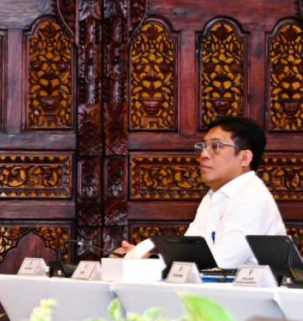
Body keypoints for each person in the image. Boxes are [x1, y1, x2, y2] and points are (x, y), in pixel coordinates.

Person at [113, 115, 285, 268]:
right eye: (203, 146)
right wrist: (139, 257)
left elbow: (220, 264)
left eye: (216, 146)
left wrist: (146, 260)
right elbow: (188, 251)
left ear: (245, 158)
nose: (203, 154)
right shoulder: (213, 197)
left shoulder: (252, 198)